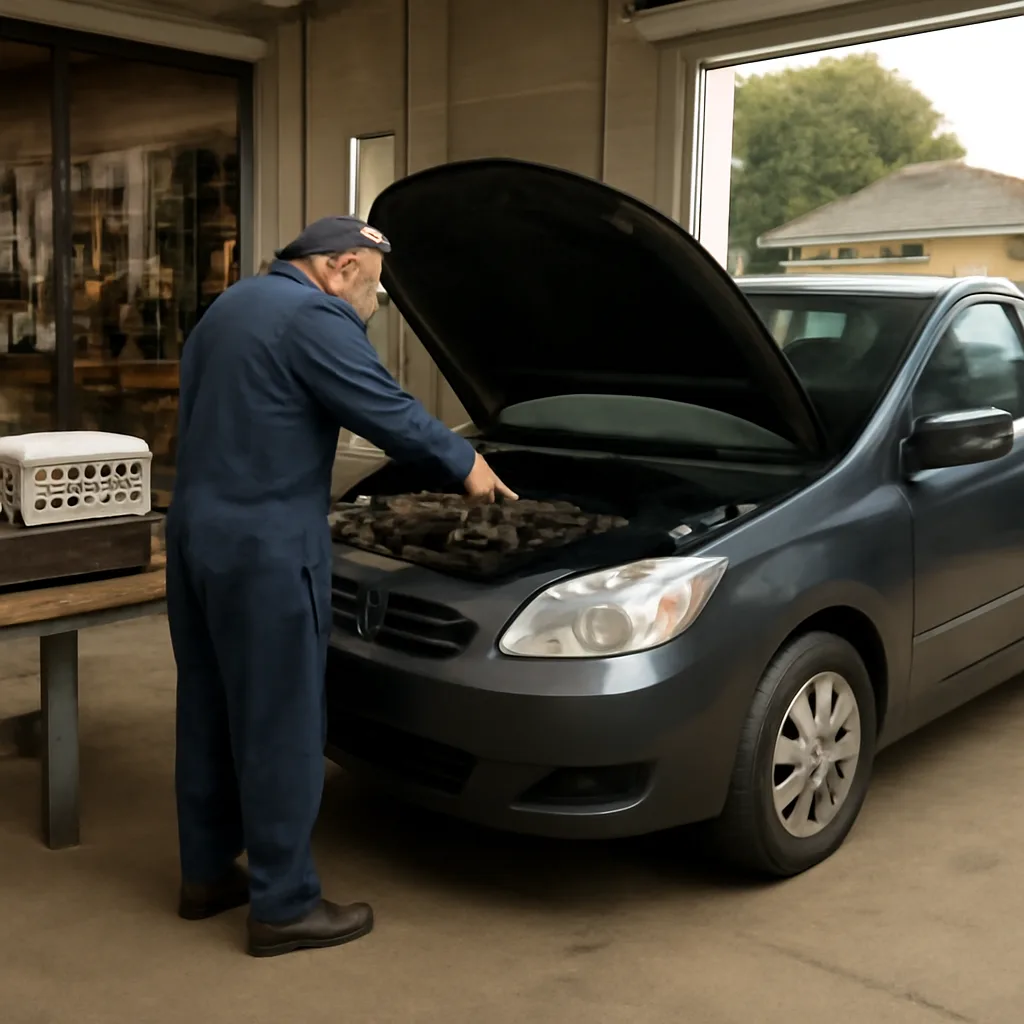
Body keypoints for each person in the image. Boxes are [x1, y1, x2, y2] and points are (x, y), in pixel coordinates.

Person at [167, 215, 516, 958]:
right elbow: (382, 407)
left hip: (197, 534)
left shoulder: (230, 307)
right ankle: (285, 905)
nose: (374, 303)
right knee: (281, 722)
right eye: (375, 288)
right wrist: (467, 467)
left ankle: (205, 874)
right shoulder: (313, 314)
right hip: (266, 546)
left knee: (208, 705)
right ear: (342, 265)